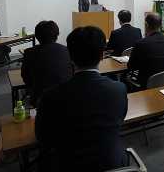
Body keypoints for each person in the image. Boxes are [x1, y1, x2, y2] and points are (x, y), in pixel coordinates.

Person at [35, 26, 128, 171]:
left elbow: (42, 135)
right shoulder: (120, 89)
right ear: (102, 56)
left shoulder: (50, 96)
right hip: (111, 165)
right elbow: (119, 120)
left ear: (69, 56)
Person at [21, 20, 73, 107]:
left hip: (40, 99)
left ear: (37, 37)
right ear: (57, 35)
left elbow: (26, 78)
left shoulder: (29, 53)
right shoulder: (67, 50)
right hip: (68, 97)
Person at [127, 12, 164, 90]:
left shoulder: (141, 43)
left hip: (147, 84)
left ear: (146, 25)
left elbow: (131, 66)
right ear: (162, 24)